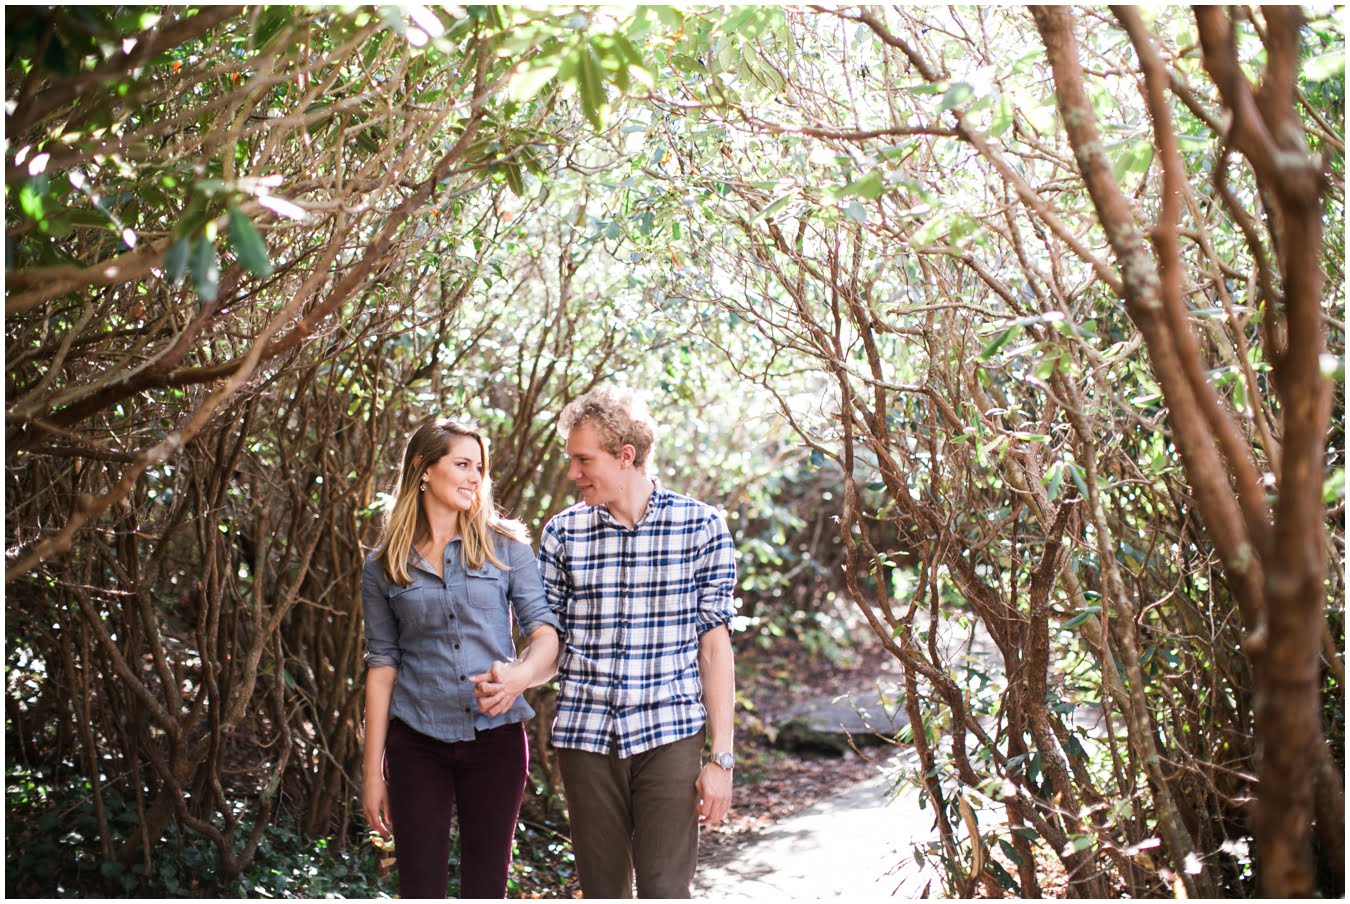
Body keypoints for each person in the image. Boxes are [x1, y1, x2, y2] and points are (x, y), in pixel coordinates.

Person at [536, 384, 737, 898]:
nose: (573, 473)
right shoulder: (563, 534)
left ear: (626, 456)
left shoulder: (702, 527)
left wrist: (721, 760)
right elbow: (548, 643)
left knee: (665, 889)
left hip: (668, 733)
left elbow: (714, 650)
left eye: (584, 459)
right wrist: (516, 677)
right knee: (603, 891)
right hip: (586, 736)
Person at [360, 418, 561, 899]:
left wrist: (516, 679)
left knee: (485, 886)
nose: (475, 477)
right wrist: (372, 775)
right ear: (423, 469)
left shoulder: (506, 546)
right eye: (462, 464)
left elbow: (547, 636)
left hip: (495, 740)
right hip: (417, 742)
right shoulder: (384, 564)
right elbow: (382, 667)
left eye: (480, 467)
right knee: (420, 886)